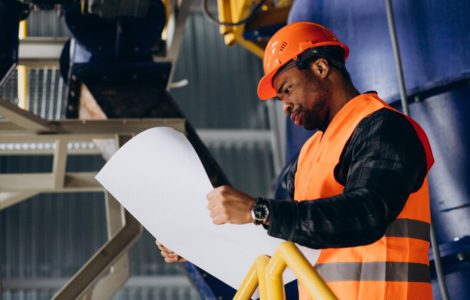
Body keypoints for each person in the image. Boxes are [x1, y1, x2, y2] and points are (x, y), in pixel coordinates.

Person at [158, 22, 434, 300]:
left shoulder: (385, 128)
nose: (285, 106)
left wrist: (259, 211)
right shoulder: (307, 157)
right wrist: (197, 246)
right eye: (280, 99)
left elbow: (367, 214)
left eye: (287, 90)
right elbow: (279, 237)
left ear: (321, 68)